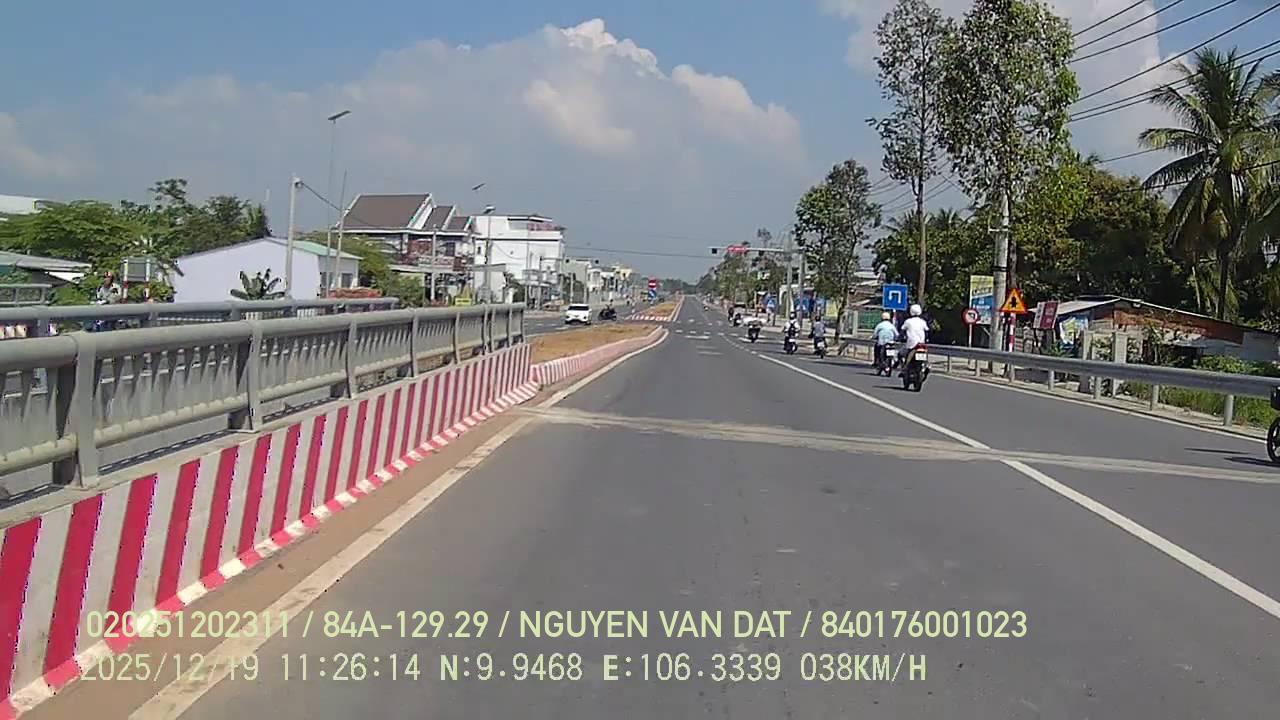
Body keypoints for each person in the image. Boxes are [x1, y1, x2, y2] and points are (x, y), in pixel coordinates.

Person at [899, 304, 929, 373]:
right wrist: (926, 339)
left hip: (911, 344)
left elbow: (902, 330)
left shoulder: (908, 321)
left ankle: (904, 368)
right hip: (921, 344)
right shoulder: (923, 321)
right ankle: (926, 366)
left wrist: (901, 338)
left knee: (900, 354)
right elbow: (927, 331)